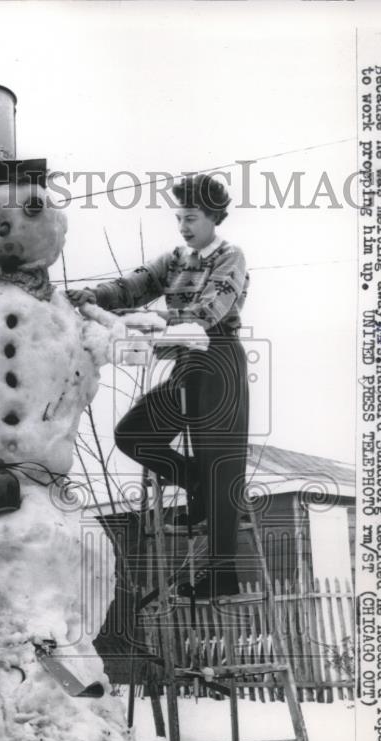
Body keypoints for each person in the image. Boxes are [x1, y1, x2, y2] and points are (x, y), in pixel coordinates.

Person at [67, 173, 249, 599]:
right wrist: (91, 295)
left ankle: (221, 574)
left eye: (192, 218)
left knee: (219, 460)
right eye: (180, 217)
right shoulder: (173, 259)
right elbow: (133, 284)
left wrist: (151, 321)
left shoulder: (229, 256)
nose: (184, 226)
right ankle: (194, 481)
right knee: (132, 432)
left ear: (212, 217)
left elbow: (211, 311)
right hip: (187, 360)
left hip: (219, 359)